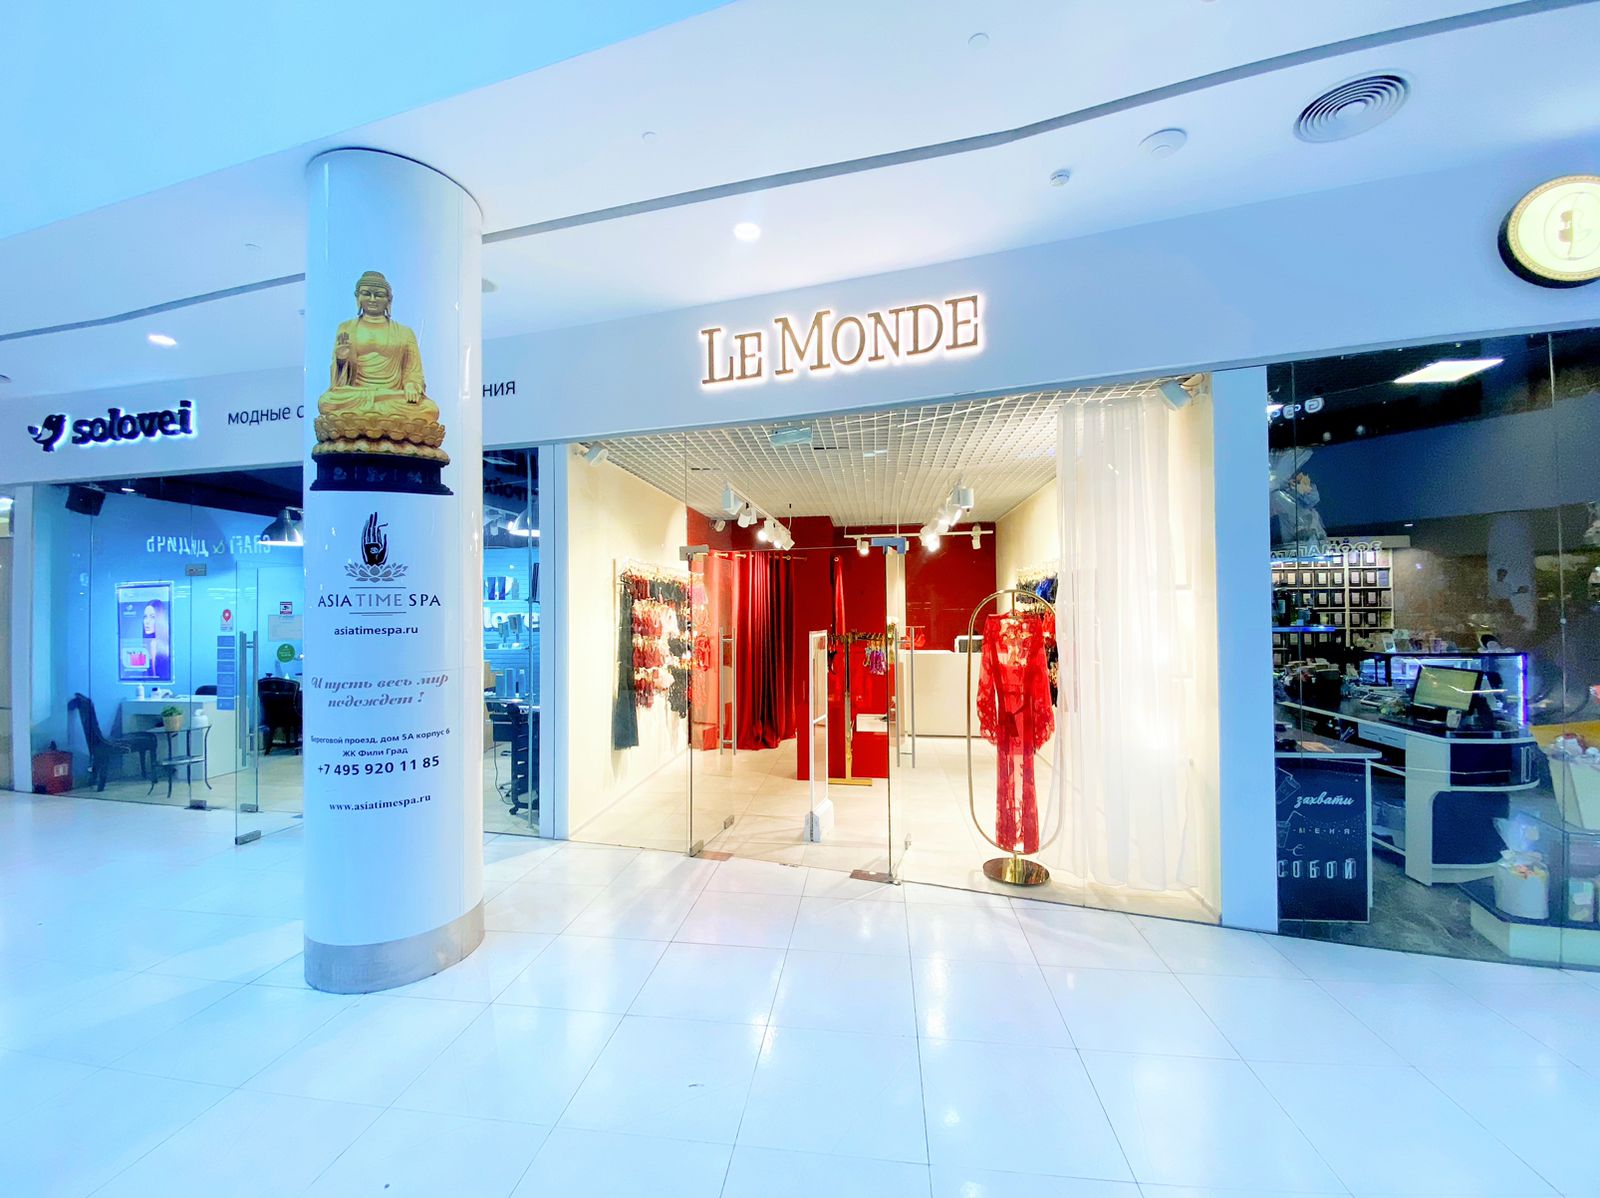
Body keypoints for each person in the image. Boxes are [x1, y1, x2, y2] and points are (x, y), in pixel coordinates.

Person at [313, 270, 449, 463]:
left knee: (429, 409)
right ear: (357, 297)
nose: (372, 299)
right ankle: (374, 417)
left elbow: (413, 369)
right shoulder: (346, 328)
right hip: (355, 394)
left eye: (379, 295)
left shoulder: (404, 332)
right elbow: (339, 380)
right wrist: (342, 360)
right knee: (327, 402)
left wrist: (411, 385)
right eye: (366, 293)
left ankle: (374, 416)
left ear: (388, 299)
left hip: (392, 395)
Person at [141, 599, 171, 681]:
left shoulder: (167, 647)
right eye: (145, 617)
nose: (147, 622)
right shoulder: (149, 644)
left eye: (152, 617)